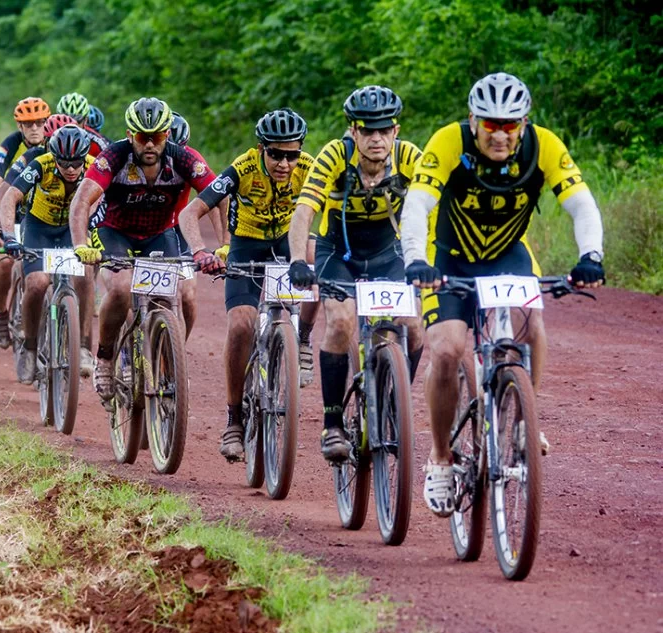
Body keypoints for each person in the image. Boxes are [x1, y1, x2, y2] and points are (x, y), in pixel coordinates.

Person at [401, 72, 605, 517]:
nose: (500, 133)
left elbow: (581, 203)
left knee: (533, 324)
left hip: (509, 255)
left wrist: (591, 254)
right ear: (472, 121)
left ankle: (522, 420)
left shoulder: (543, 145)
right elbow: (417, 203)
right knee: (449, 349)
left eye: (510, 125)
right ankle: (439, 457)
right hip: (450, 258)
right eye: (490, 124)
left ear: (525, 123)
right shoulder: (449, 142)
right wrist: (416, 259)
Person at [287, 85, 425, 462]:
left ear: (396, 131)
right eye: (368, 130)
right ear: (353, 131)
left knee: (412, 325)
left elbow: (437, 206)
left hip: (386, 251)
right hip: (339, 250)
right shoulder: (335, 154)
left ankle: (396, 402)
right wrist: (299, 259)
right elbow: (304, 212)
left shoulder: (411, 157)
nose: (376, 138)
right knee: (341, 322)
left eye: (384, 130)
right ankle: (333, 424)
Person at [178, 108, 314, 461]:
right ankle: (234, 419)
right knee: (242, 324)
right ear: (260, 149)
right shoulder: (241, 169)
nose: (285, 163)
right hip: (246, 245)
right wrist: (199, 251)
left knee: (320, 259)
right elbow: (190, 213)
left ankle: (304, 339)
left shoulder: (311, 168)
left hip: (287, 243)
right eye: (276, 154)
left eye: (292, 154)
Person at [69, 97, 215, 401]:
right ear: (129, 134)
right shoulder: (113, 157)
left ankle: (168, 355)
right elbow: (82, 200)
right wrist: (81, 245)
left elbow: (217, 194)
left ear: (167, 135)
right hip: (115, 232)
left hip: (158, 234)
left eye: (157, 137)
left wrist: (225, 245)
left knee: (173, 295)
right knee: (121, 288)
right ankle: (106, 358)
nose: (150, 145)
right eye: (141, 137)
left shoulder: (184, 158)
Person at [0, 125, 96, 383]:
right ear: (55, 157)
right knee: (38, 282)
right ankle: (29, 347)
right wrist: (9, 235)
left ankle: (84, 347)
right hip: (39, 228)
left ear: (85, 157)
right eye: (65, 163)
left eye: (76, 163)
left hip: (73, 230)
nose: (71, 169)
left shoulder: (96, 167)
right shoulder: (41, 165)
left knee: (85, 274)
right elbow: (10, 198)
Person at [0, 97, 51, 348]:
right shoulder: (12, 145)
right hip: (14, 213)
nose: (34, 128)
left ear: (47, 124)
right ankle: (1, 313)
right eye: (28, 124)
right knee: (6, 262)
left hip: (43, 217)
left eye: (39, 123)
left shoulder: (57, 147)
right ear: (20, 127)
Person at [167, 111, 223, 339]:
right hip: (141, 229)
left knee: (188, 294)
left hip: (176, 230)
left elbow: (216, 196)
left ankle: (176, 352)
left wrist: (224, 244)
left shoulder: (191, 159)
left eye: (179, 150)